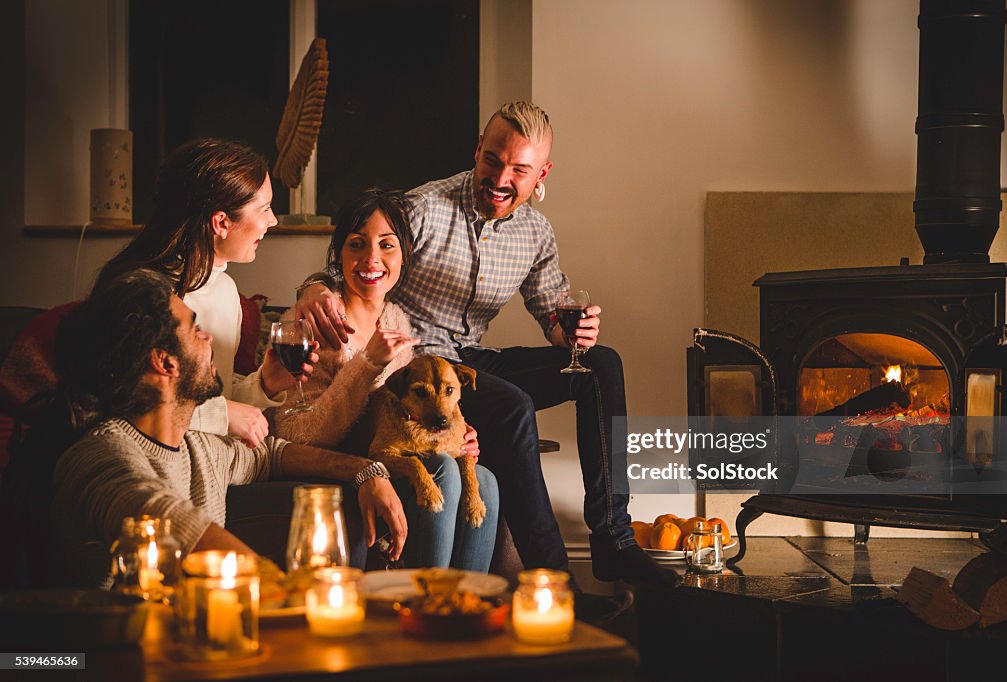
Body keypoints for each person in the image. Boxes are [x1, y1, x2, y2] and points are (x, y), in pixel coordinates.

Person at [295, 102, 680, 590]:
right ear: (477, 151)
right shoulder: (424, 208)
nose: (501, 177)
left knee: (600, 366)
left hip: (474, 359)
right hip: (420, 366)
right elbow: (356, 258)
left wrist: (572, 333)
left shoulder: (536, 233)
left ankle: (614, 541)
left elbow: (550, 312)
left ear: (541, 173)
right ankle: (554, 579)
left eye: (519, 169)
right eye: (493, 160)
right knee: (511, 403)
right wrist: (311, 289)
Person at [36, 269, 406, 587]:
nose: (208, 337)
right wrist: (288, 593)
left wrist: (366, 472)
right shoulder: (100, 457)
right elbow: (161, 518)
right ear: (164, 362)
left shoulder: (197, 446)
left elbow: (272, 455)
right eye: (195, 329)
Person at [271, 188, 499, 572]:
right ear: (338, 254)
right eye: (357, 245)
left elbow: (403, 409)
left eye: (387, 245)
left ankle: (463, 609)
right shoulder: (312, 321)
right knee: (441, 471)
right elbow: (297, 434)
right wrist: (367, 364)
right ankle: (427, 606)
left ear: (404, 256)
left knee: (486, 480)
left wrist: (447, 432)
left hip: (389, 453)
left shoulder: (395, 318)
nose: (371, 259)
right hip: (342, 464)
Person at [92, 138, 307, 449]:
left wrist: (264, 384)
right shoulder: (141, 293)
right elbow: (121, 404)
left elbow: (218, 399)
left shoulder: (225, 289)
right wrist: (224, 414)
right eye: (264, 209)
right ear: (221, 222)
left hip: (212, 462)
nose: (271, 221)